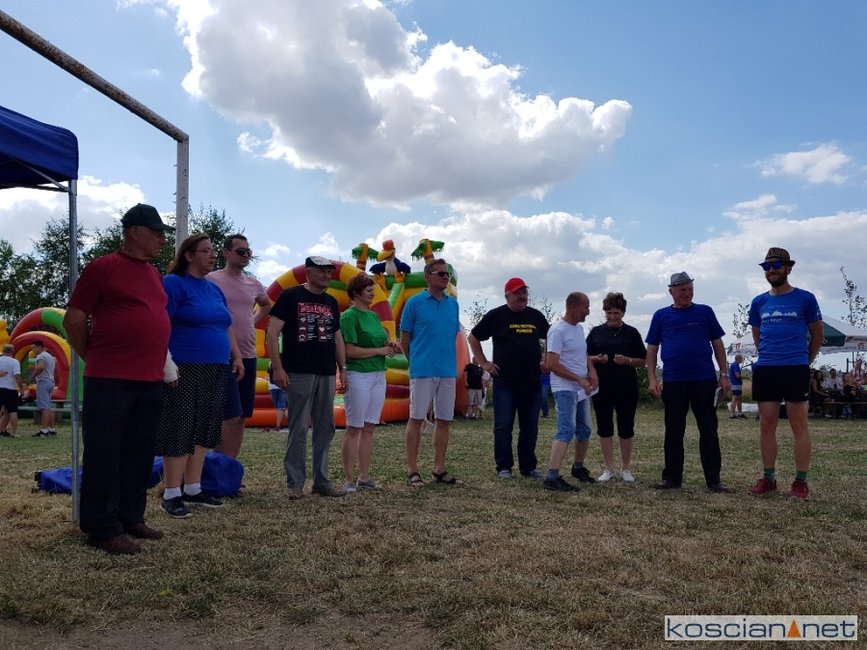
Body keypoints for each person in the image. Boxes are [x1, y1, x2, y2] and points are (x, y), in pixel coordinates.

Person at [63, 202, 174, 554]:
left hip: (149, 378)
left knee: (139, 452)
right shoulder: (103, 267)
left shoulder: (154, 274)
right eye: (156, 232)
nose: (162, 239)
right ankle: (101, 528)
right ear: (134, 232)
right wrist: (94, 356)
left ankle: (130, 517)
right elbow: (73, 319)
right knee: (105, 453)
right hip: (110, 378)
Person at [157, 234, 244, 518]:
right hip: (184, 367)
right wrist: (166, 363)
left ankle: (193, 488)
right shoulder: (174, 283)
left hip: (216, 367)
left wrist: (236, 356)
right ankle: (172, 493)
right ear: (189, 255)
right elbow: (160, 323)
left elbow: (226, 325)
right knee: (180, 427)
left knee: (205, 428)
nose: (212, 255)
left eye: (213, 251)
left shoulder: (214, 289)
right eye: (206, 251)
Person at [266, 256, 348, 498]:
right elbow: (272, 333)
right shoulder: (290, 296)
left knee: (325, 428)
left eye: (329, 272)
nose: (327, 275)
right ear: (308, 272)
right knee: (299, 426)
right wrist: (278, 368)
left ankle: (321, 481)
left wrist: (342, 368)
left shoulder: (331, 302)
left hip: (326, 371)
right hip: (298, 371)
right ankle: (295, 483)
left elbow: (337, 338)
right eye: (321, 271)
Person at [747, 248, 823, 500]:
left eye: (777, 266)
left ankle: (800, 481)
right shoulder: (759, 302)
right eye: (766, 267)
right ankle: (768, 478)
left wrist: (804, 361)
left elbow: (817, 335)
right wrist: (768, 356)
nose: (771, 270)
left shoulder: (805, 299)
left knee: (798, 425)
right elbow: (757, 335)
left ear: (788, 268)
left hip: (795, 368)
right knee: (766, 424)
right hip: (767, 368)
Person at [646, 272, 730, 493]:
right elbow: (652, 349)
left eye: (690, 289)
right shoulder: (661, 316)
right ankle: (671, 478)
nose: (687, 293)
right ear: (671, 291)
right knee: (673, 431)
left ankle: (714, 480)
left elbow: (718, 344)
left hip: (704, 380)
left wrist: (724, 374)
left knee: (709, 430)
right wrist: (652, 378)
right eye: (682, 289)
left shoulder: (705, 312)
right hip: (674, 381)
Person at [468, 277, 550, 480]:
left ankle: (528, 468)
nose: (522, 296)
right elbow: (473, 337)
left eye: (524, 292)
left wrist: (546, 358)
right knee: (503, 426)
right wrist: (484, 363)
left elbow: (552, 337)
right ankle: (504, 467)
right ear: (507, 296)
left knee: (530, 427)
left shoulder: (536, 316)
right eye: (517, 293)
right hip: (505, 382)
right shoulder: (496, 315)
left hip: (532, 381)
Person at [207, 234, 272, 458]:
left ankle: (230, 467)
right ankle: (218, 465)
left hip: (248, 354)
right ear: (226, 253)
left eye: (248, 252)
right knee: (228, 416)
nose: (246, 255)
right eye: (240, 251)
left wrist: (252, 321)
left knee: (242, 416)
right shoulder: (211, 279)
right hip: (221, 354)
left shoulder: (253, 283)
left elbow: (266, 305)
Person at [400, 258, 462, 487]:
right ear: (428, 277)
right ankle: (412, 470)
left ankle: (439, 469)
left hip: (447, 370)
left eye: (447, 274)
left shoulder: (453, 305)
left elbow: (452, 336)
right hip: (422, 371)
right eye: (441, 274)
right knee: (416, 419)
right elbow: (404, 341)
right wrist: (416, 362)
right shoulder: (413, 303)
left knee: (444, 420)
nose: (446, 277)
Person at [339, 273, 400, 492]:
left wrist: (390, 346)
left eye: (373, 289)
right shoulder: (349, 316)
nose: (373, 292)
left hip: (378, 375)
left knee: (369, 427)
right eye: (368, 289)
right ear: (356, 293)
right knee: (354, 427)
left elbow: (379, 342)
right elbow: (349, 350)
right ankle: (348, 479)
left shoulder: (374, 316)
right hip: (358, 376)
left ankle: (364, 478)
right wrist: (379, 350)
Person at [586, 292, 647, 483]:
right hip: (601, 386)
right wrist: (597, 359)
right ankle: (608, 468)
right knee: (604, 426)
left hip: (626, 387)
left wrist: (628, 360)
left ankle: (626, 468)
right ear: (605, 312)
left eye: (616, 313)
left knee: (626, 427)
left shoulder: (632, 333)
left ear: (623, 313)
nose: (612, 317)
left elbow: (643, 360)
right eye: (609, 313)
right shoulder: (596, 332)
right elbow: (584, 357)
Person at [542, 292, 597, 492]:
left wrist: (592, 371)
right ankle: (552, 477)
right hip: (564, 388)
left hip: (581, 389)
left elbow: (583, 353)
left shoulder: (579, 329)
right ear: (573, 306)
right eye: (585, 307)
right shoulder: (557, 330)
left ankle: (578, 467)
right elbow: (551, 364)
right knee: (566, 429)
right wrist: (578, 379)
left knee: (585, 430)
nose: (588, 311)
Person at [29, 340, 57, 437]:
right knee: (48, 406)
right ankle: (51, 428)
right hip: (51, 381)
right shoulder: (49, 356)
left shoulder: (40, 356)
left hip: (43, 381)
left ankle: (44, 430)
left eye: (34, 348)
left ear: (39, 347)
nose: (33, 350)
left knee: (44, 407)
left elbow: (40, 367)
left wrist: (32, 377)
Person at [0, 344, 27, 437]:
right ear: (12, 352)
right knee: (12, 411)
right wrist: (21, 388)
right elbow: (17, 376)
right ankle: (14, 432)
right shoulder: (15, 362)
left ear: (3, 351)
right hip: (10, 388)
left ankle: (2, 430)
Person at [267, 364, 288, 432]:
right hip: (282, 386)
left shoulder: (271, 363)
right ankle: (278, 426)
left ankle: (278, 426)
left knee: (280, 407)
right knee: (282, 407)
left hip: (272, 387)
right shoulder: (284, 362)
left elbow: (269, 375)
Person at [728, 354, 746, 419]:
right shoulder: (735, 365)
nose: (742, 360)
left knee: (739, 399)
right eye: (742, 358)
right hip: (735, 384)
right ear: (738, 359)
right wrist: (746, 377)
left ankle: (740, 413)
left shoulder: (735, 365)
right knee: (735, 399)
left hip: (737, 384)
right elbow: (737, 375)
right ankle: (732, 414)